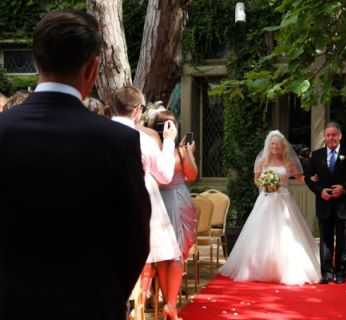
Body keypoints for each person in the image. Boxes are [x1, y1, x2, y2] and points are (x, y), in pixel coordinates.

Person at [0, 11, 151, 320]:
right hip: (89, 303)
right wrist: (106, 294)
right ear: (93, 67)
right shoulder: (117, 141)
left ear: (36, 61)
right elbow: (135, 237)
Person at [111, 86, 184, 320]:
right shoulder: (142, 139)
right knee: (164, 254)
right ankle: (169, 306)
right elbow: (165, 174)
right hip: (142, 197)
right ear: (137, 110)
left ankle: (134, 306)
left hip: (106, 199)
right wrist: (170, 141)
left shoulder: (97, 134)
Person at [219, 130, 321, 285]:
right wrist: (265, 184)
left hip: (283, 201)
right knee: (261, 233)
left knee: (286, 233)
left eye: (278, 144)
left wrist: (311, 179)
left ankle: (286, 269)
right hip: (266, 200)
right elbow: (256, 180)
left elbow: (300, 178)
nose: (275, 147)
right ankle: (257, 267)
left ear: (282, 146)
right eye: (272, 144)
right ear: (268, 145)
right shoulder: (262, 162)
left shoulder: (288, 163)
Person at [149, 110, 198, 319]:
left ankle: (171, 301)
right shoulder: (151, 149)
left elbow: (192, 175)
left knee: (177, 251)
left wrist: (187, 152)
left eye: (171, 123)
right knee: (162, 252)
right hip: (158, 199)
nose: (167, 127)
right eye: (162, 124)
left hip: (178, 201)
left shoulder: (179, 150)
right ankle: (166, 300)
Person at [304, 122, 346, 284]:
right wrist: (319, 190)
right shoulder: (316, 155)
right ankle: (327, 272)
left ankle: (341, 272)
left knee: (343, 241)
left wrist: (344, 187)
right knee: (325, 240)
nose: (331, 138)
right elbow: (309, 178)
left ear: (340, 136)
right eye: (328, 135)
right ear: (325, 137)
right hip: (324, 204)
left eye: (334, 135)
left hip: (344, 205)